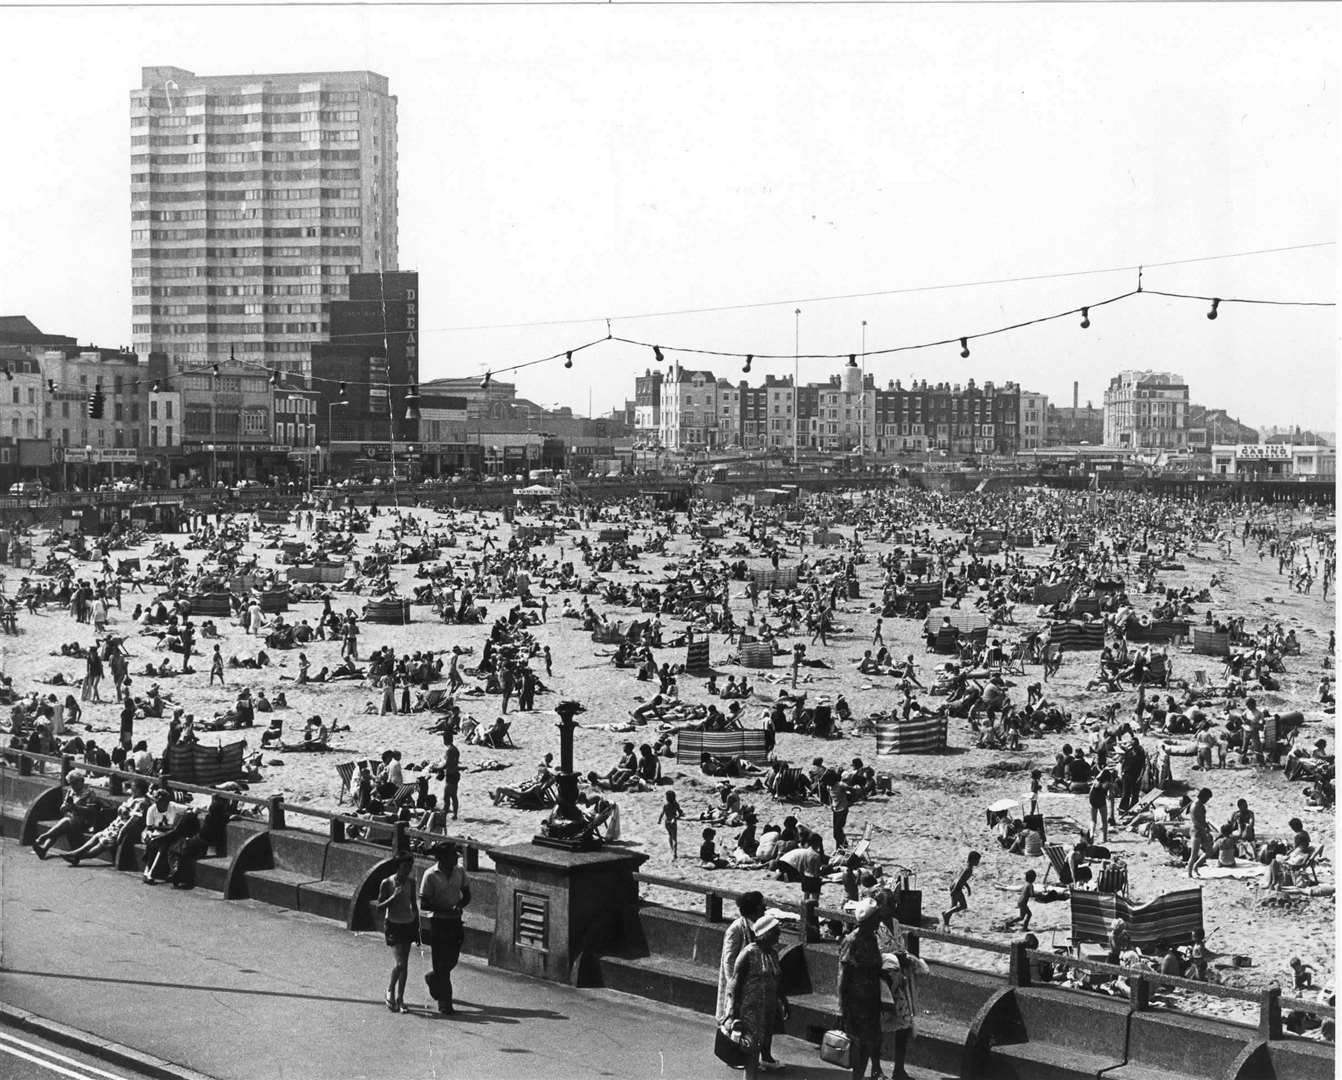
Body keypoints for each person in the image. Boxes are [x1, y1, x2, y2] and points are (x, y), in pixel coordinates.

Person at [724, 914, 787, 1079]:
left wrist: (784, 1001)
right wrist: (732, 1010)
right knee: (752, 1046)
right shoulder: (748, 953)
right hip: (751, 1008)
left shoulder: (773, 954)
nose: (778, 935)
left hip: (768, 1006)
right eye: (775, 932)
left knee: (764, 1039)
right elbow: (734, 983)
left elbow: (777, 979)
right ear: (766, 934)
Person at [418, 841, 470, 1015]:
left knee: (451, 960)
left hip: (455, 921)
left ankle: (433, 978)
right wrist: (444, 909)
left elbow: (467, 894)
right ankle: (444, 1002)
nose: (456, 857)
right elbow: (424, 903)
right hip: (438, 922)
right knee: (440, 963)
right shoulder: (430, 875)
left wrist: (460, 905)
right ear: (442, 857)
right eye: (453, 855)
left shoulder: (460, 872)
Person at [838, 897, 885, 1080]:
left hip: (871, 998)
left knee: (871, 1040)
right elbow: (843, 975)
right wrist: (842, 1006)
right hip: (856, 1001)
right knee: (860, 1043)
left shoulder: (872, 939)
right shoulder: (852, 941)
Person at [375, 853, 420, 1012]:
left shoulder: (411, 883)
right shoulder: (387, 883)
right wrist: (393, 897)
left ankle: (400, 999)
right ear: (398, 867)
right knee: (400, 963)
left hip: (407, 924)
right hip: (393, 924)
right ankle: (390, 990)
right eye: (404, 867)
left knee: (404, 964)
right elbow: (379, 908)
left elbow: (414, 905)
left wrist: (417, 927)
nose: (407, 871)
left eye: (409, 867)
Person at [717, 891, 766, 1021]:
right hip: (738, 982)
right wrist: (734, 986)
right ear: (755, 909)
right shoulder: (736, 929)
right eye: (762, 906)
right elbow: (729, 961)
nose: (765, 908)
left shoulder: (759, 926)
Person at [31, 770, 102, 859]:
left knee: (65, 822)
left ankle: (44, 837)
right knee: (63, 825)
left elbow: (91, 810)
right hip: (72, 818)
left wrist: (75, 807)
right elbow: (63, 807)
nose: (73, 786)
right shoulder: (71, 791)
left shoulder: (89, 792)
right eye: (71, 783)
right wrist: (64, 807)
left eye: (75, 783)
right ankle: (44, 848)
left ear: (81, 781)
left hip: (85, 820)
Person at [942, 850, 981, 928]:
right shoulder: (968, 869)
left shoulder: (967, 866)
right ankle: (946, 913)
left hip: (954, 885)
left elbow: (963, 879)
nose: (978, 862)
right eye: (977, 860)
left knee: (954, 905)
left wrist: (968, 888)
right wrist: (954, 890)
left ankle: (946, 922)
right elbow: (960, 879)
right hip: (957, 888)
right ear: (973, 860)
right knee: (963, 905)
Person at [1187, 787, 1213, 878]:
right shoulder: (1195, 805)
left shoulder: (1200, 804)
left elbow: (1202, 819)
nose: (1207, 800)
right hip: (1196, 831)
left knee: (1209, 851)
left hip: (1201, 830)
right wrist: (1204, 829)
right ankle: (1189, 874)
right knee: (1194, 855)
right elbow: (1196, 821)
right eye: (1207, 798)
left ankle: (1196, 866)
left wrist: (1206, 826)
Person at [657, 790, 684, 860]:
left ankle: (672, 850)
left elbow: (662, 814)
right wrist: (680, 815)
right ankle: (675, 853)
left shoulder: (665, 805)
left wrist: (659, 820)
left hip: (667, 822)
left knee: (670, 836)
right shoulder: (676, 804)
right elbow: (680, 812)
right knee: (674, 838)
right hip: (673, 821)